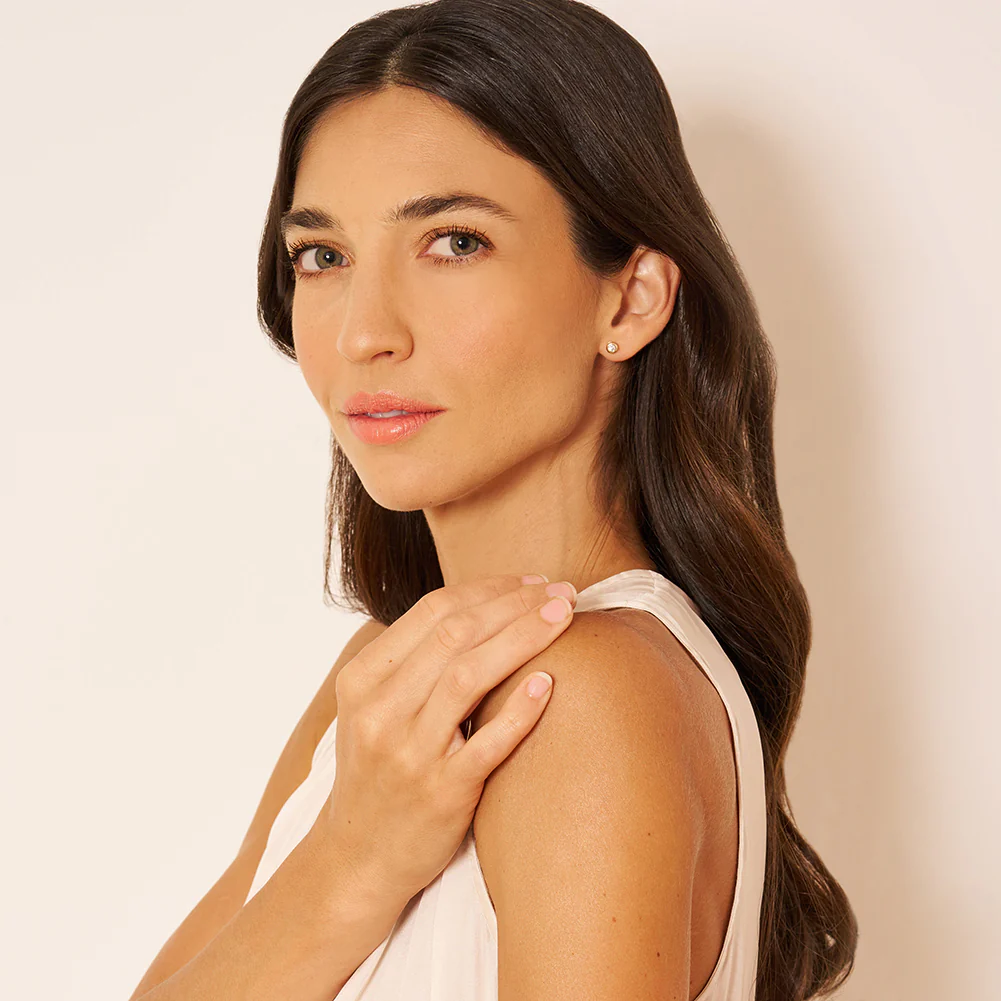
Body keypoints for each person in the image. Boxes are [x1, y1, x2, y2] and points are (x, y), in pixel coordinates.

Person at [128, 1, 857, 999]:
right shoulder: (395, 679)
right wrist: (350, 859)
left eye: (454, 242)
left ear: (631, 296)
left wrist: (358, 860)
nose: (363, 333)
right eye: (323, 255)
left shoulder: (582, 694)